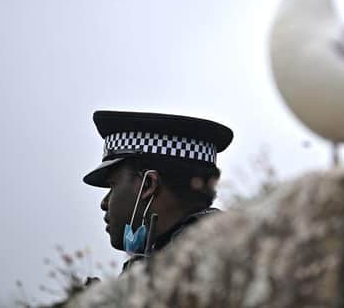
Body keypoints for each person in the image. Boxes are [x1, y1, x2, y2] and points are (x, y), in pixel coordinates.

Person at [82, 110, 233, 272]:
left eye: (113, 185)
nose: (104, 203)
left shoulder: (196, 261)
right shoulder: (215, 245)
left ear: (147, 185)